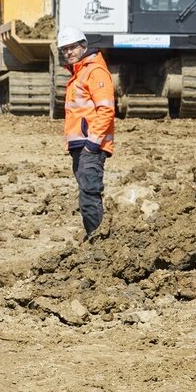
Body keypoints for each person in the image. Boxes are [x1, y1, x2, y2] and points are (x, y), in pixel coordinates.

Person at [58, 26, 115, 239]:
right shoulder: (79, 73)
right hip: (80, 146)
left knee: (89, 194)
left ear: (83, 46)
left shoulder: (94, 71)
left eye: (72, 47)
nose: (68, 52)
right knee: (86, 193)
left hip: (90, 146)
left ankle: (97, 239)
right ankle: (95, 237)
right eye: (65, 49)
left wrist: (92, 144)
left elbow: (106, 110)